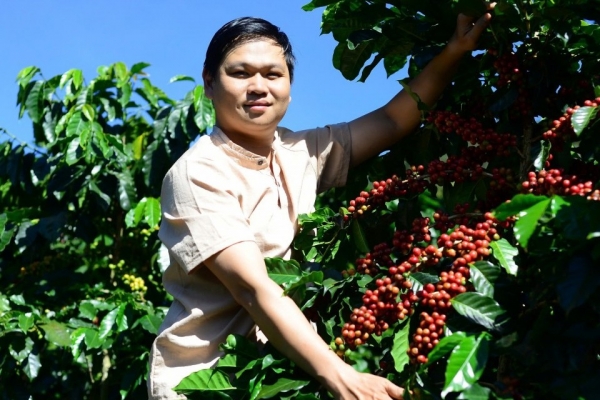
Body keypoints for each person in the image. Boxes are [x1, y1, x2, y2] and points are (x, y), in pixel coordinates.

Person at [148, 8, 493, 400]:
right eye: (240, 73)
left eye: (273, 74)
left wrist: (456, 50)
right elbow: (253, 289)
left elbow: (394, 121)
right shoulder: (198, 173)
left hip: (278, 370)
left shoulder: (300, 151)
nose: (258, 86)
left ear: (290, 87)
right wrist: (340, 375)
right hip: (207, 382)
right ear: (209, 84)